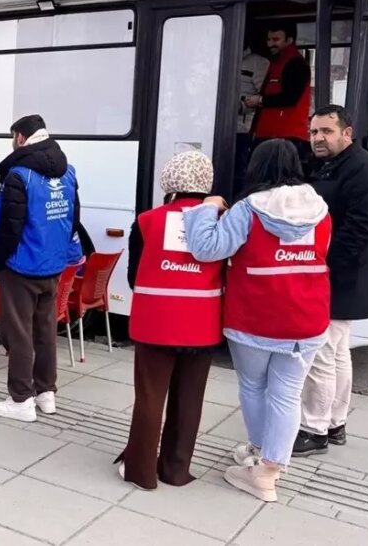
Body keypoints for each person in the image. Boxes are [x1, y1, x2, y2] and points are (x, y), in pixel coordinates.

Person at [183, 139, 332, 503]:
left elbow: (207, 249)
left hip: (255, 316)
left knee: (253, 386)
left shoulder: (249, 209)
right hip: (308, 317)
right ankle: (270, 467)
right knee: (287, 393)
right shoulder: (321, 209)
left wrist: (205, 209)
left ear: (257, 167)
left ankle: (260, 462)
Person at [117, 151, 223, 490]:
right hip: (203, 323)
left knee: (150, 397)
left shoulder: (148, 220)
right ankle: (176, 470)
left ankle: (141, 471)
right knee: (190, 398)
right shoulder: (221, 219)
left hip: (156, 322)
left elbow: (134, 277)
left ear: (169, 180)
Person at [294, 105, 368, 456]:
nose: (318, 138)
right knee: (336, 351)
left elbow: (363, 228)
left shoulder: (365, 170)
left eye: (326, 132)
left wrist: (323, 264)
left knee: (321, 351)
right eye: (314, 131)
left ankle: (314, 428)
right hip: (343, 276)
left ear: (346, 133)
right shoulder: (333, 164)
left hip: (341, 277)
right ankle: (335, 423)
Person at [0, 114, 84, 423]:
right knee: (45, 330)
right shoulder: (68, 173)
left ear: (21, 138)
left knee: (19, 333)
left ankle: (21, 399)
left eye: (14, 137)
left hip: (20, 267)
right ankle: (46, 393)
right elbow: (72, 221)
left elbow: (9, 228)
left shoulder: (19, 176)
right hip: (52, 266)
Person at [247, 24, 312, 159]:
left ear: (289, 40)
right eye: (269, 40)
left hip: (284, 134)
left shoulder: (295, 63)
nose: (270, 44)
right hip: (273, 133)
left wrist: (260, 100)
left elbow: (290, 97)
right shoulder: (278, 62)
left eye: (276, 40)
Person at [235, 42, 270, 195]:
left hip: (243, 127)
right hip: (216, 126)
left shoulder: (259, 62)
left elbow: (265, 96)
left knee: (238, 172)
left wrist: (241, 106)